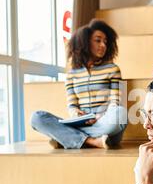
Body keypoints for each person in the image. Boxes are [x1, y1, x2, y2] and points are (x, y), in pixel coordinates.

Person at [31, 19, 127, 149]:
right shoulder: (71, 74)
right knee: (37, 118)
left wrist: (100, 116)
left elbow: (116, 102)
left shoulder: (112, 69)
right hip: (82, 124)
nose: (103, 45)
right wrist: (76, 113)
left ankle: (67, 138)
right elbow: (72, 106)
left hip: (105, 124)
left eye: (105, 42)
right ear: (85, 42)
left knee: (120, 114)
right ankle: (93, 141)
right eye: (98, 40)